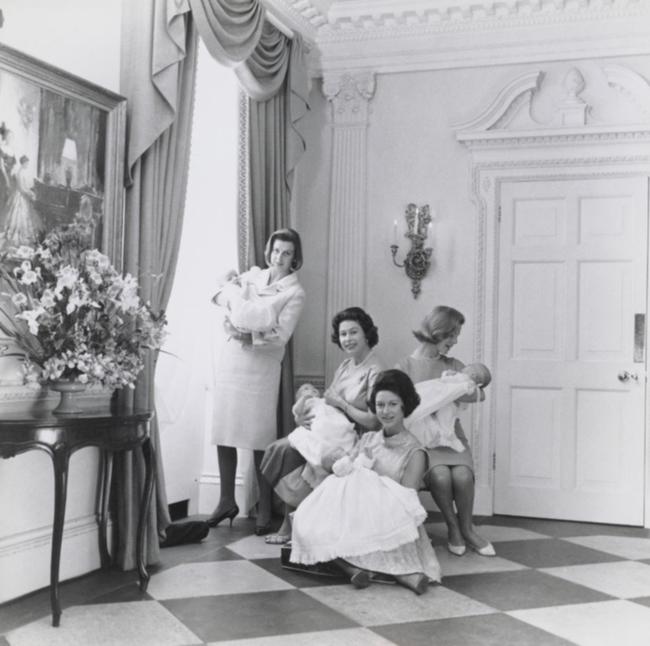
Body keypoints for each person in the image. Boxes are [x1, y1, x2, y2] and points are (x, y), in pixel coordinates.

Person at [290, 370, 441, 595]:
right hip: (359, 512)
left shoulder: (415, 451)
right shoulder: (369, 439)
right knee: (305, 521)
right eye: (380, 405)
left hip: (392, 519)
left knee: (338, 536)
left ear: (404, 406)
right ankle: (353, 569)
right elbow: (347, 475)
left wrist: (369, 481)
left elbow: (407, 503)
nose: (385, 411)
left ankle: (395, 572)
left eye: (392, 404)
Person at [208, 228, 305, 535]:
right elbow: (222, 299)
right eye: (276, 251)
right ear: (269, 252)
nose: (279, 257)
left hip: (262, 367)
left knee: (259, 438)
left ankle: (264, 506)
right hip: (232, 361)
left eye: (286, 253)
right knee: (225, 431)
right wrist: (234, 310)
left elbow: (280, 336)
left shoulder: (295, 292)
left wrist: (245, 332)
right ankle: (225, 500)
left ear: (295, 258)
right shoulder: (252, 277)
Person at [261, 306, 384, 544]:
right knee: (279, 448)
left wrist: (343, 406)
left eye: (353, 332)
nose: (347, 339)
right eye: (343, 334)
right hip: (329, 430)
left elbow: (374, 421)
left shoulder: (375, 371)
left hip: (355, 439)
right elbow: (326, 403)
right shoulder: (346, 366)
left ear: (367, 334)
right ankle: (294, 521)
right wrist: (302, 418)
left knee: (288, 451)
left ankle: (293, 524)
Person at [396, 306, 495, 557]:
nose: (455, 341)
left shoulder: (454, 365)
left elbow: (478, 393)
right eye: (452, 335)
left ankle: (468, 529)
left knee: (462, 476)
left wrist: (458, 387)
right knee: (440, 476)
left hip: (451, 436)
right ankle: (452, 528)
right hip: (423, 439)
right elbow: (399, 404)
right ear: (437, 332)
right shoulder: (405, 366)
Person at [407, 363, 492, 453]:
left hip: (448, 403)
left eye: (468, 368)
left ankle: (441, 434)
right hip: (445, 400)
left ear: (473, 375)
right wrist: (447, 375)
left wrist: (448, 375)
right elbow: (445, 382)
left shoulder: (465, 380)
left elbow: (450, 383)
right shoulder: (463, 380)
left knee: (443, 417)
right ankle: (439, 434)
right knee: (437, 414)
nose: (463, 369)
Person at [286, 383, 357, 470]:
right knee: (321, 428)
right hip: (319, 419)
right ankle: (334, 456)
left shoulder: (323, 400)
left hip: (332, 417)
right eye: (306, 388)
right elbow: (297, 411)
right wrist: (303, 398)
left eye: (314, 388)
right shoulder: (306, 403)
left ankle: (345, 450)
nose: (312, 389)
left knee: (341, 427)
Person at [2, 155, 43, 249]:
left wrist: (30, 191)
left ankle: (26, 239)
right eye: (27, 163)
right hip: (20, 197)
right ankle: (18, 239)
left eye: (28, 162)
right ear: (23, 163)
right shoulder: (20, 173)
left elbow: (26, 186)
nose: (28, 164)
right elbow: (21, 188)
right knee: (19, 217)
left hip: (24, 195)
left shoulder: (23, 172)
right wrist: (30, 194)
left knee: (27, 216)